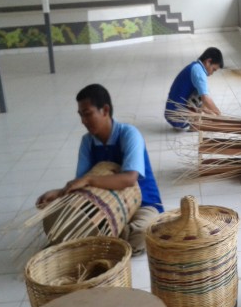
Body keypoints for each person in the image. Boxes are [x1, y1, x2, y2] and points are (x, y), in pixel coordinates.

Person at [37, 84, 164, 255]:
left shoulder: (128, 134)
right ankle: (106, 241)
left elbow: (129, 179)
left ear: (105, 110)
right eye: (81, 115)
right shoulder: (87, 142)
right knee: (71, 221)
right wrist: (59, 193)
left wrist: (90, 180)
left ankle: (102, 241)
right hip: (106, 208)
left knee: (142, 232)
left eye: (88, 114)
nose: (83, 121)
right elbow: (81, 184)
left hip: (144, 203)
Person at [164, 47, 224, 130]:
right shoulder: (199, 72)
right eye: (213, 69)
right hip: (177, 117)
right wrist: (219, 115)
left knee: (202, 91)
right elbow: (205, 99)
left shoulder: (195, 66)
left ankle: (194, 121)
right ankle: (194, 124)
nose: (212, 73)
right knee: (204, 94)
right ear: (208, 61)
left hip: (171, 113)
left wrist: (212, 114)